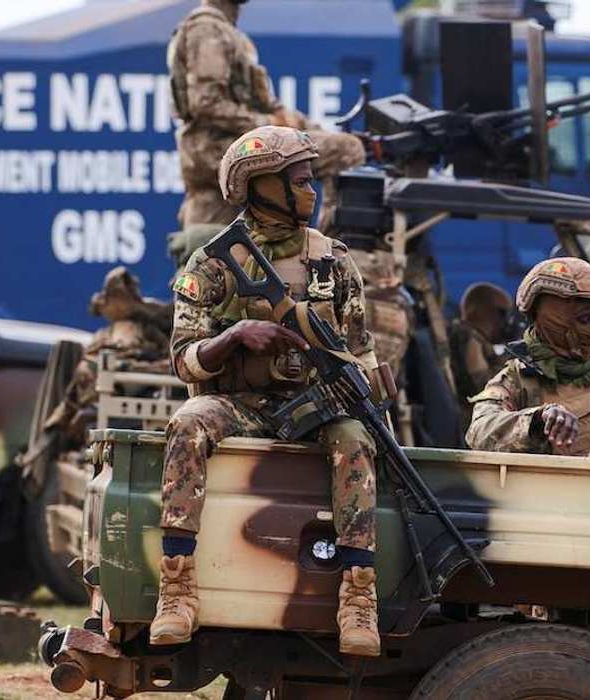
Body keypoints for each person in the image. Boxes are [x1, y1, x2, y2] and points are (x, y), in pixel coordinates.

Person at [151, 126, 383, 657]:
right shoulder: (212, 263)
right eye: (299, 180)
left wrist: (364, 392)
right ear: (262, 185)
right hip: (239, 404)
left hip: (316, 404)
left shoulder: (333, 261)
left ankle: (357, 598)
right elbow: (182, 356)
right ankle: (177, 588)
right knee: (188, 422)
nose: (312, 191)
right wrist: (232, 338)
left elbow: (362, 350)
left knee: (357, 438)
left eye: (311, 180)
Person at [166, 0, 364, 234]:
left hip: (226, 151)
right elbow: (206, 103)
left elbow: (271, 106)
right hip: (218, 151)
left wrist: (313, 129)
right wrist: (268, 124)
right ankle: (327, 256)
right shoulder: (207, 30)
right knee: (346, 150)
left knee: (212, 245)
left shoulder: (227, 33)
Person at [466, 258, 590, 458]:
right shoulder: (515, 378)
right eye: (584, 319)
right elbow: (479, 433)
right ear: (552, 315)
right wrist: (537, 419)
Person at [42, 267, 172, 446]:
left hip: (140, 387)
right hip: (117, 391)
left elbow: (166, 353)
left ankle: (64, 415)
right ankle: (64, 417)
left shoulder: (143, 325)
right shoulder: (108, 333)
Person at [450, 282, 517, 433]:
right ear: (486, 311)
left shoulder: (470, 337)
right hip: (470, 425)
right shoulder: (470, 337)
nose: (506, 322)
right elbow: (481, 385)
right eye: (503, 313)